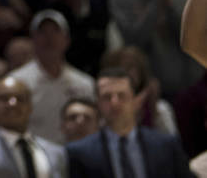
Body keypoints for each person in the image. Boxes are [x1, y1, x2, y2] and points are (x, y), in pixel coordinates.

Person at [108, 0, 202, 97]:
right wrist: (158, 1)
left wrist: (169, 2)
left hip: (189, 86)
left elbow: (193, 38)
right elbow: (134, 38)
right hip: (148, 88)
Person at [66, 67, 194, 178]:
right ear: (98, 103)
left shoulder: (166, 146)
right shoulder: (80, 153)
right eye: (107, 97)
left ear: (135, 101)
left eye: (121, 95)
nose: (114, 103)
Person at [10, 10, 95, 145]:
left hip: (74, 156)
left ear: (67, 40)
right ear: (32, 39)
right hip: (33, 156)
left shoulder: (85, 83)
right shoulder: (17, 83)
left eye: (56, 31)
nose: (49, 37)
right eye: (42, 32)